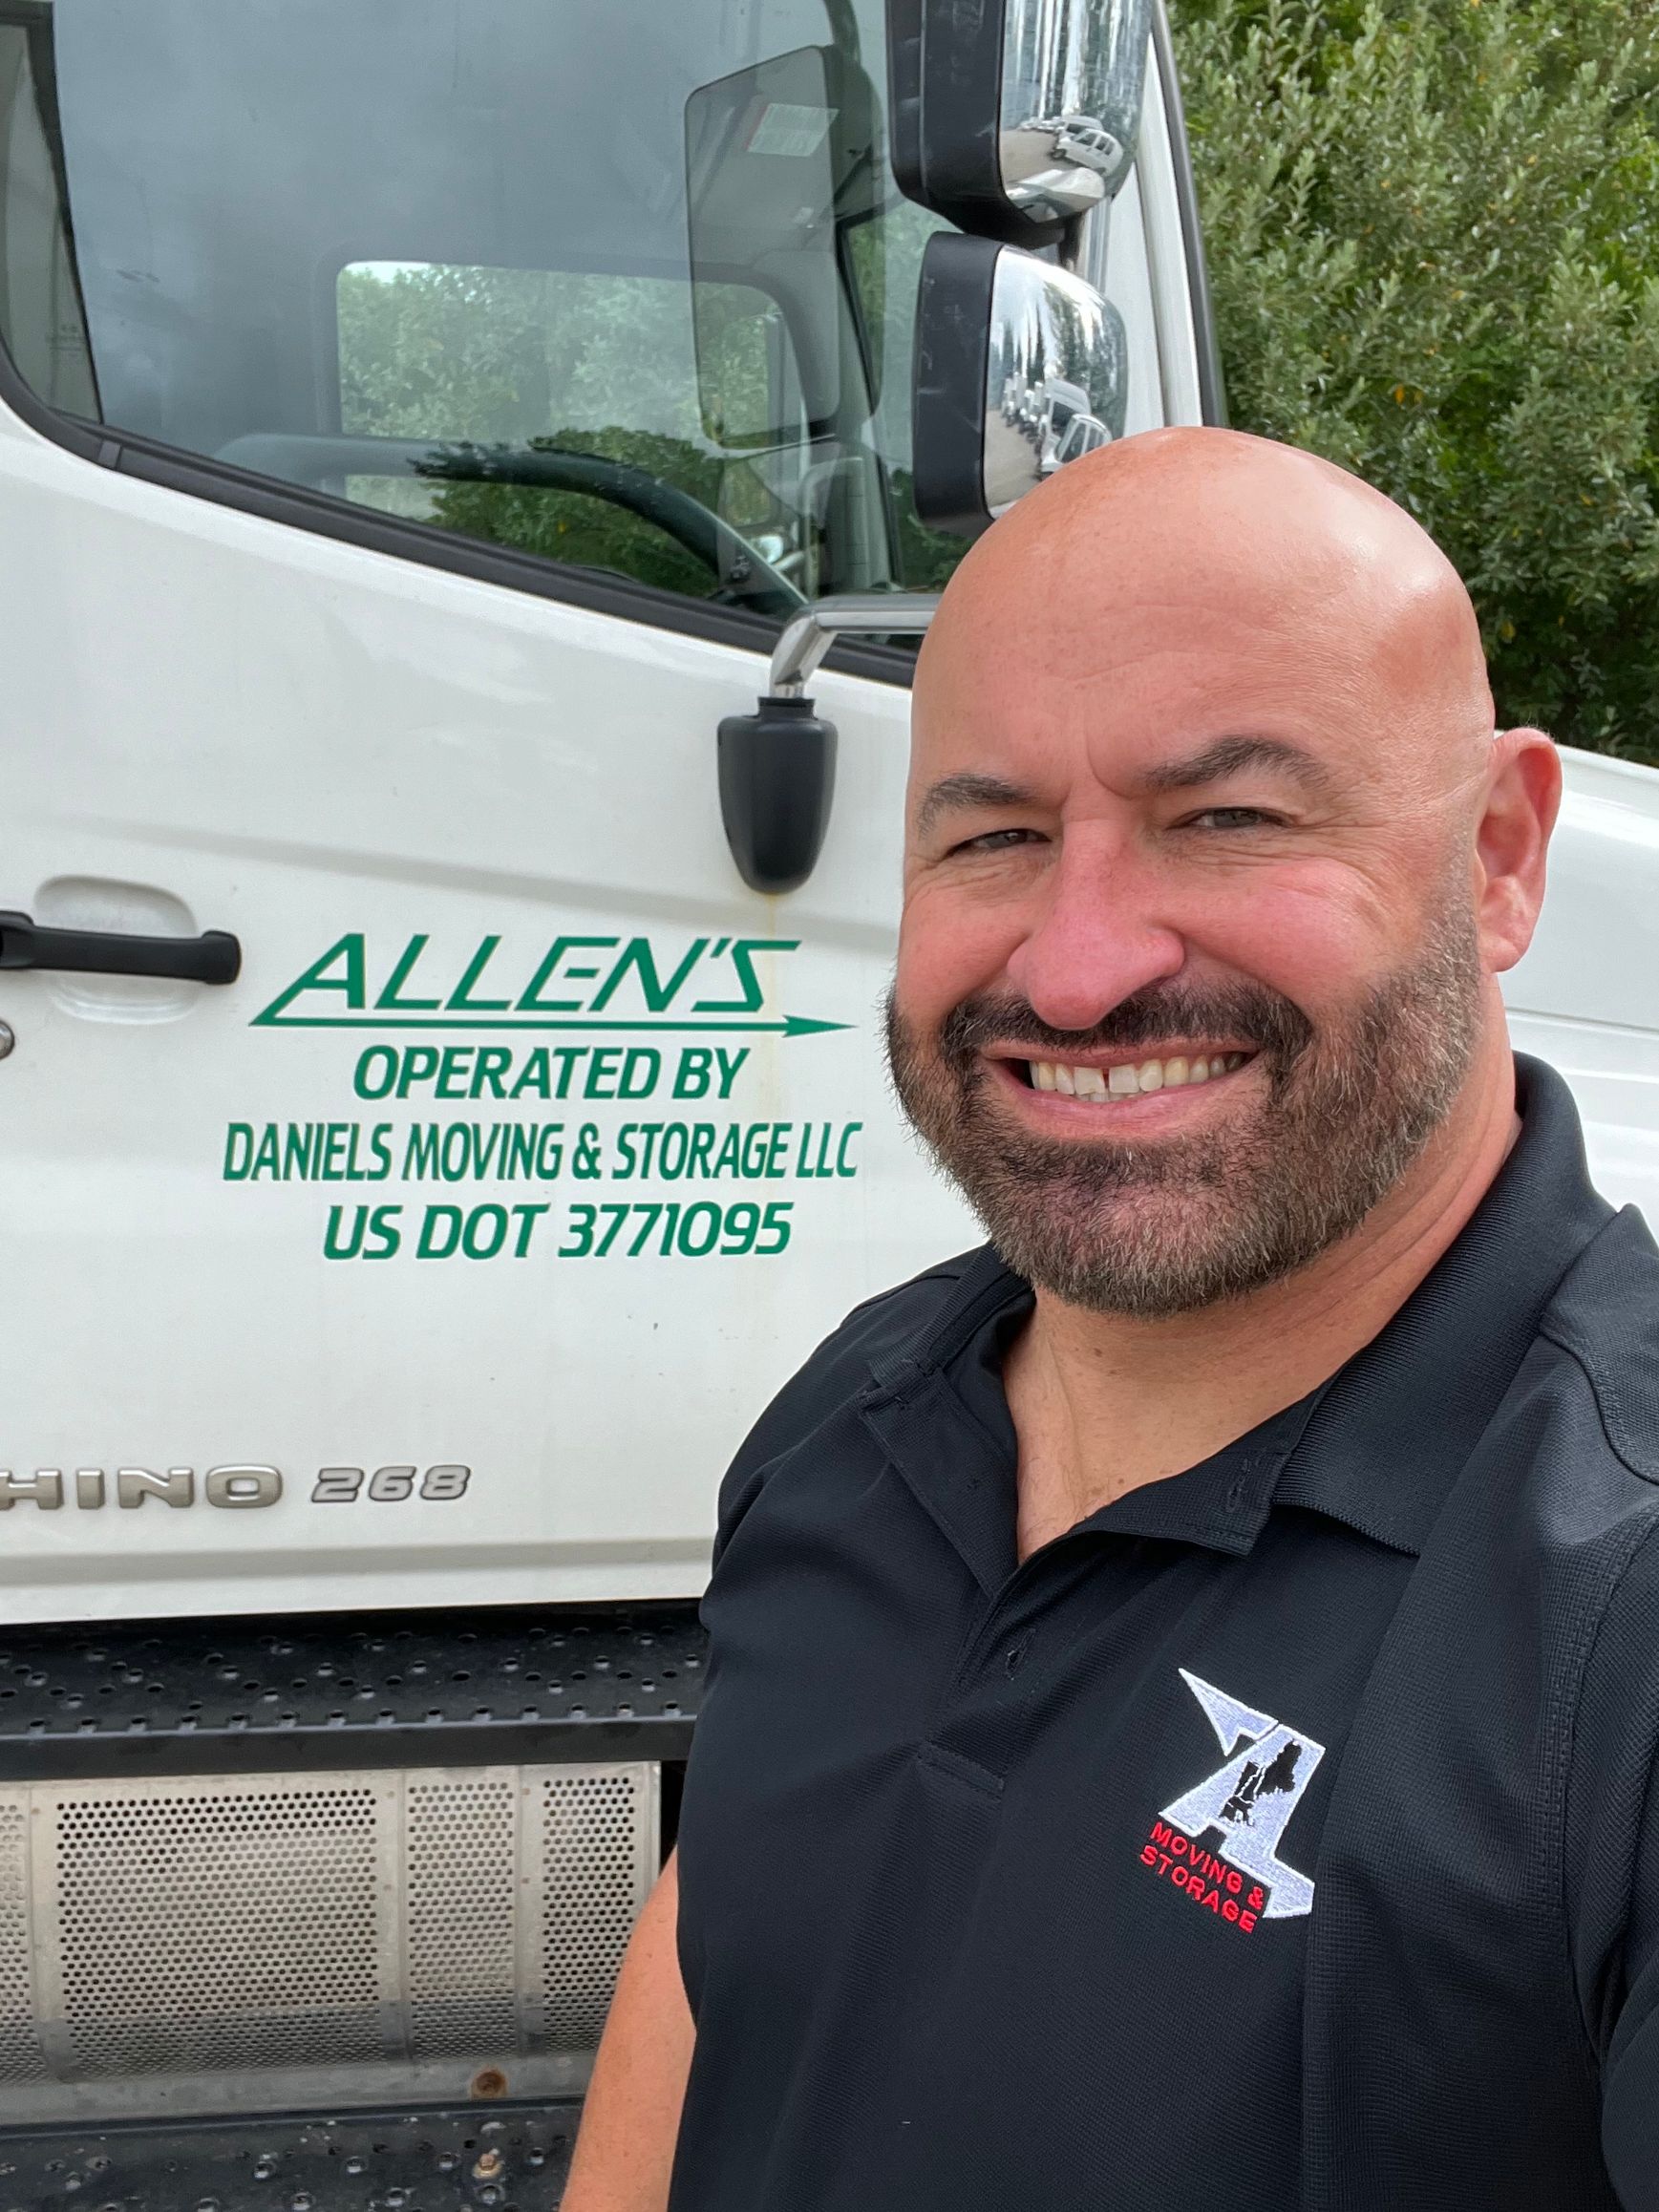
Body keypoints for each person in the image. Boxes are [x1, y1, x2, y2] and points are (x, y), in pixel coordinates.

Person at [562, 427, 1659, 2210]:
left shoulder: (1613, 1628)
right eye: (992, 836)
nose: (1074, 970)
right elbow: (722, 1983)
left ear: (1496, 854)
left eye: (1225, 817)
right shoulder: (866, 1414)